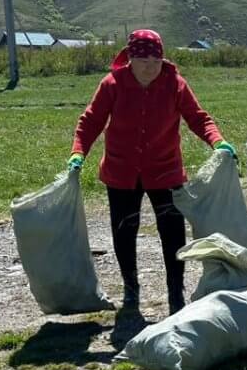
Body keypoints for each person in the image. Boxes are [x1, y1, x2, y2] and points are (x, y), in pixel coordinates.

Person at [69, 29, 236, 314]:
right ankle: (131, 291)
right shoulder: (113, 83)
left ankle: (176, 293)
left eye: (156, 61)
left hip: (165, 170)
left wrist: (217, 141)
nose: (151, 67)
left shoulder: (175, 84)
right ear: (130, 59)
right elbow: (91, 121)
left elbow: (198, 118)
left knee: (172, 233)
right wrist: (77, 152)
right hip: (121, 172)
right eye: (144, 61)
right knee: (124, 231)